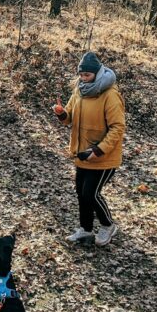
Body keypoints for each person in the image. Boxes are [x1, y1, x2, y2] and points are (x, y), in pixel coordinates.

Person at [52, 51, 126, 246]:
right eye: (81, 75)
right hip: (82, 153)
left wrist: (99, 150)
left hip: (103, 157)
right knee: (80, 192)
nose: (83, 78)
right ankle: (85, 230)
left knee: (90, 194)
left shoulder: (110, 95)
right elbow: (69, 118)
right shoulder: (79, 90)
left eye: (87, 75)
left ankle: (108, 225)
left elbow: (118, 128)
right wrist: (61, 113)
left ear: (97, 73)